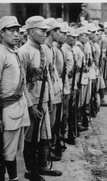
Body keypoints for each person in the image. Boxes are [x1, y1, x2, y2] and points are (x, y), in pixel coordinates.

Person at [0, 16, 32, 181]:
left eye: (17, 30)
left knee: (12, 151)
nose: (16, 34)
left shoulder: (15, 52)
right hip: (6, 110)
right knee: (4, 152)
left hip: (18, 106)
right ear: (1, 33)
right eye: (10, 30)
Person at [19, 16, 62, 181]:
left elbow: (47, 77)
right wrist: (30, 106)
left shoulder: (42, 49)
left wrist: (50, 98)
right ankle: (30, 170)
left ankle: (43, 165)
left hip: (43, 99)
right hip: (32, 102)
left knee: (44, 133)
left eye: (46, 31)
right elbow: (21, 83)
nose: (46, 34)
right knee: (31, 136)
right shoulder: (24, 52)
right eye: (42, 31)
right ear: (30, 32)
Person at [42, 18, 63, 161]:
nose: (60, 34)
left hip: (55, 89)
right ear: (52, 32)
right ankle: (43, 154)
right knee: (47, 123)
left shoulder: (52, 48)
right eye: (58, 31)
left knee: (53, 121)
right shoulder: (43, 48)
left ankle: (48, 150)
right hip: (47, 91)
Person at [53, 22, 69, 158]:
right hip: (54, 89)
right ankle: (53, 145)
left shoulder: (59, 48)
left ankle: (57, 141)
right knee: (54, 120)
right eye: (61, 33)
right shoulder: (53, 48)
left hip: (60, 87)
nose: (63, 36)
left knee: (61, 116)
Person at [62, 28, 78, 144]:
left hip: (70, 83)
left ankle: (67, 132)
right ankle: (63, 134)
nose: (75, 39)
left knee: (69, 110)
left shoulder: (70, 50)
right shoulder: (63, 49)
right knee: (65, 112)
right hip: (66, 83)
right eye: (73, 37)